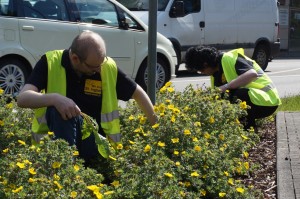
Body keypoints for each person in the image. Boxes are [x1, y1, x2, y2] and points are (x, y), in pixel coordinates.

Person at [17, 31, 157, 162]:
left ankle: (71, 169)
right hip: (55, 147)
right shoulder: (50, 62)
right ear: (75, 58)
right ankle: (67, 168)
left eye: (101, 64)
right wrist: (55, 99)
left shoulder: (105, 66)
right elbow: (23, 98)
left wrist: (157, 129)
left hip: (97, 145)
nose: (98, 69)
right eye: (93, 67)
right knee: (60, 109)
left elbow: (138, 93)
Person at [185, 46, 281, 130]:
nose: (202, 73)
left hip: (267, 101)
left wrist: (226, 86)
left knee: (238, 95)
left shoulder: (229, 58)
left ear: (205, 64)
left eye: (200, 70)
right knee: (225, 97)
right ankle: (240, 129)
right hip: (257, 101)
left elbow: (252, 74)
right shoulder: (215, 73)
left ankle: (248, 130)